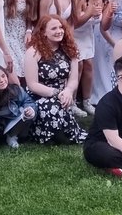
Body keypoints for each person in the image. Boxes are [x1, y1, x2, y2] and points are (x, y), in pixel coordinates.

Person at [23, 14, 88, 144]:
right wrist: (57, 93)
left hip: (63, 95)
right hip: (39, 95)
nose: (59, 31)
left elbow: (74, 79)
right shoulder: (33, 52)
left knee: (60, 105)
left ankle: (61, 133)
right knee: (51, 106)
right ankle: (49, 134)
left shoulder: (70, 50)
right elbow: (32, 84)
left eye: (61, 27)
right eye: (53, 28)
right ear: (43, 32)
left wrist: (68, 91)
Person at [74, 0, 112, 114]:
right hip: (74, 34)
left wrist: (110, 14)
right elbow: (75, 22)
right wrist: (89, 13)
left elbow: (104, 26)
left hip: (87, 35)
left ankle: (87, 101)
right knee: (78, 66)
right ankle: (72, 102)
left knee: (89, 65)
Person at [4, 0, 39, 80]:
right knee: (13, 69)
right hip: (7, 33)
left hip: (24, 34)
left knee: (26, 68)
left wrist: (29, 30)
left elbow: (33, 16)